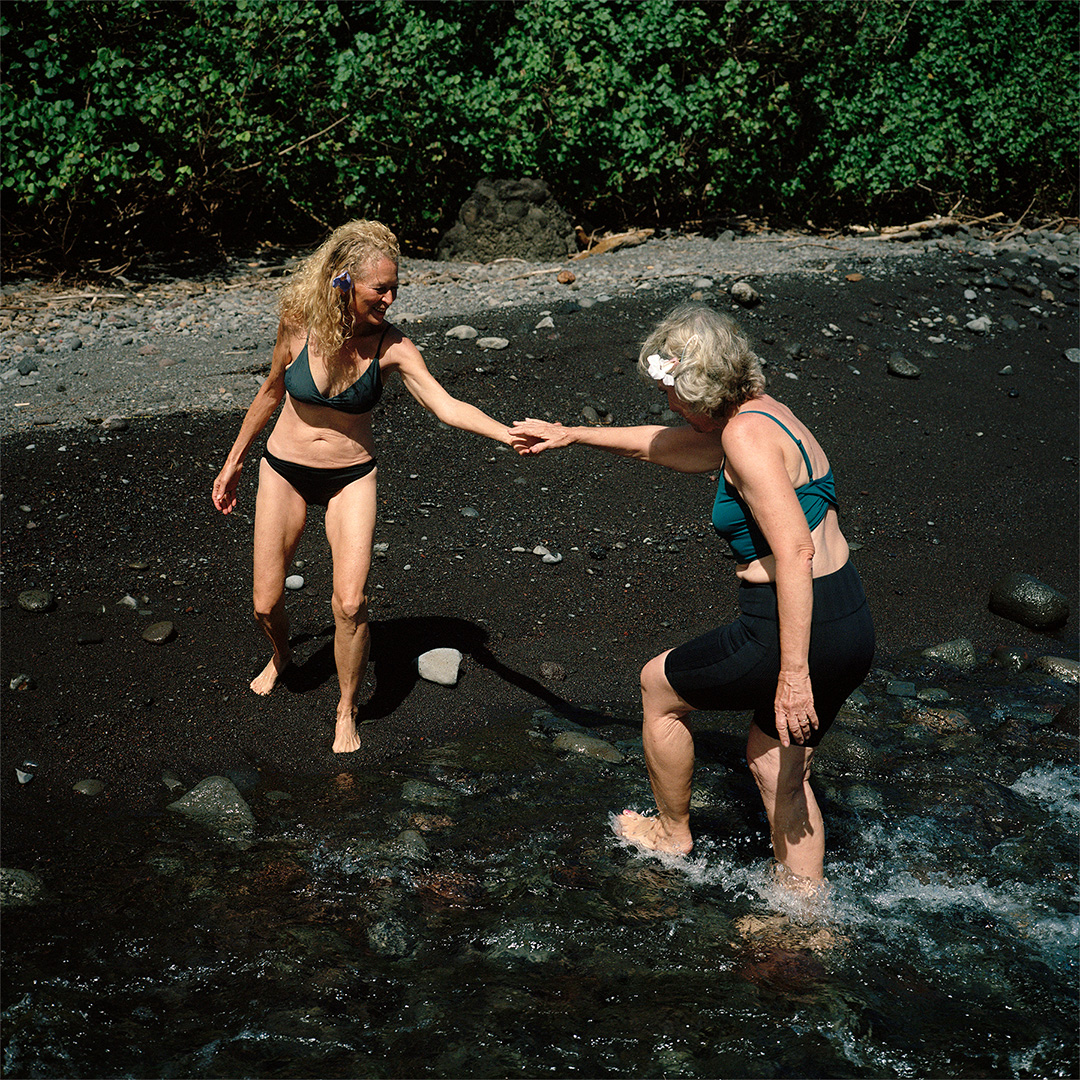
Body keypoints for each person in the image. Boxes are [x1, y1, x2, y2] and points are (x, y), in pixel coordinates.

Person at [510, 303, 874, 885]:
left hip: (788, 625)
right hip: (849, 619)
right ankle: (805, 908)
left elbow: (796, 552)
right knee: (776, 761)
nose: (670, 406)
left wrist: (793, 671)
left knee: (659, 686)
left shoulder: (745, 437)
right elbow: (674, 447)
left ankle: (672, 834)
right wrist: (573, 435)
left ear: (701, 388)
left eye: (674, 394)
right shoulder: (768, 417)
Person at [212, 219, 518, 754]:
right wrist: (233, 461)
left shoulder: (393, 347)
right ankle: (283, 654)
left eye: (396, 286)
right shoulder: (298, 323)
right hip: (283, 468)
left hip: (351, 477)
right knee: (264, 603)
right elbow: (268, 393)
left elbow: (446, 406)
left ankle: (346, 706)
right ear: (344, 282)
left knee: (350, 604)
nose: (392, 297)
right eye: (382, 287)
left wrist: (508, 434)